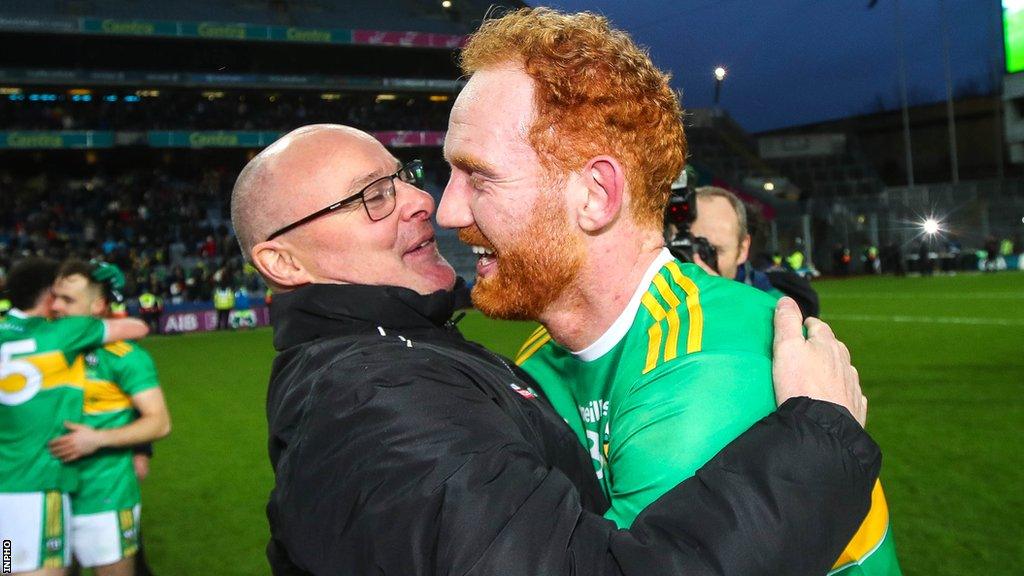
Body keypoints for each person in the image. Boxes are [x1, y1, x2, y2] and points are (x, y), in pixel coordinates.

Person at [232, 123, 876, 575]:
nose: (425, 203)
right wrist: (820, 438)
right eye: (370, 198)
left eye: (401, 178)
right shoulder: (368, 404)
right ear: (282, 260)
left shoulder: (408, 355)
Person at [437, 9, 898, 575]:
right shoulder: (540, 358)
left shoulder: (710, 366)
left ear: (596, 195)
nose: (447, 209)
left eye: (478, 175)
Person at [0, 257, 148, 576]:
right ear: (47, 295)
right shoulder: (62, 334)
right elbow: (136, 328)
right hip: (36, 492)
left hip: (4, 496)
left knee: (6, 564)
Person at [48, 260, 172, 576]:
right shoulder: (29, 349)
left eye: (68, 300)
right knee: (9, 563)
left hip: (102, 496)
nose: (57, 306)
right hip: (32, 496)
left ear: (98, 305)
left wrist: (99, 440)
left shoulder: (123, 356)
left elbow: (159, 421)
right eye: (54, 297)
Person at [689, 186, 820, 318]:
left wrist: (724, 298)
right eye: (687, 248)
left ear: (742, 249)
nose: (696, 263)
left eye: (713, 250)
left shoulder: (774, 311)